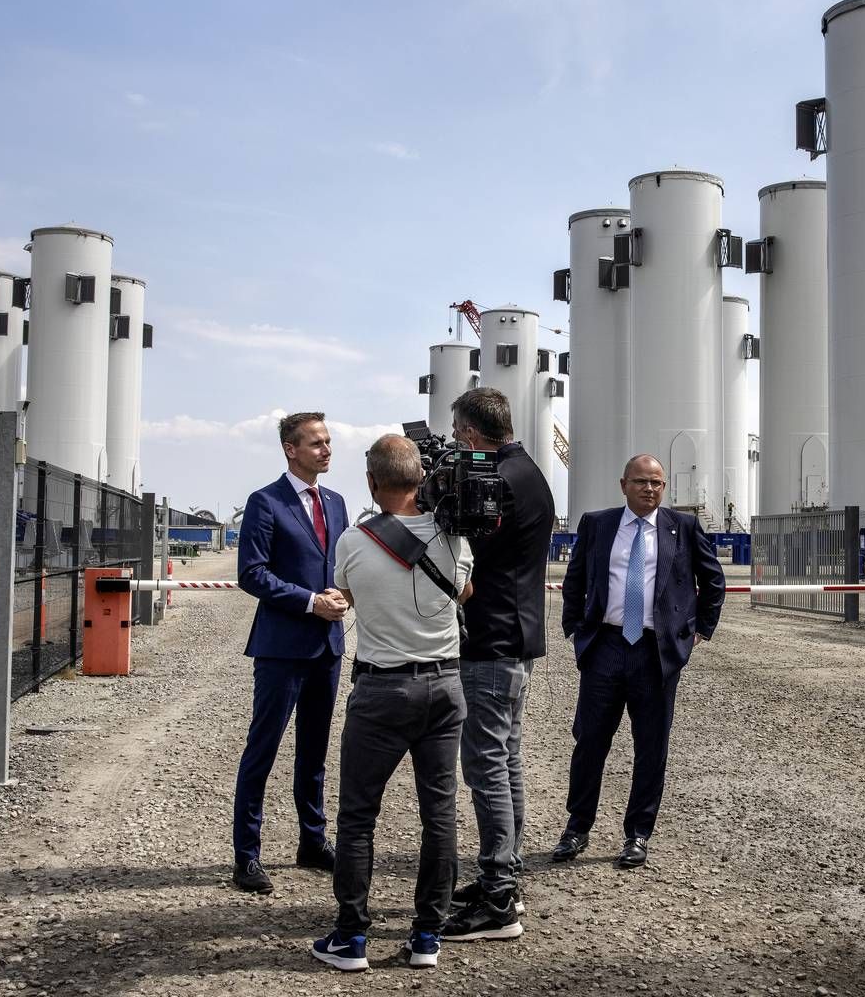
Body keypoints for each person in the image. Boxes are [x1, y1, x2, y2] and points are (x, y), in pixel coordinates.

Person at [311, 434, 472, 973]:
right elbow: (464, 594)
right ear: (422, 480)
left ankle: (351, 937)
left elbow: (346, 594)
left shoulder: (355, 543)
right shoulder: (456, 540)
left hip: (382, 690)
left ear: (372, 483)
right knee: (439, 815)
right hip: (445, 687)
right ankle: (428, 935)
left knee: (358, 817)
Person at [553, 454, 725, 869]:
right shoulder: (597, 524)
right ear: (623, 484)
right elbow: (576, 578)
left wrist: (700, 629)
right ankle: (577, 828)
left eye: (657, 483)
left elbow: (713, 579)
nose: (650, 489)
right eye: (641, 482)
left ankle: (638, 834)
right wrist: (575, 627)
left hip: (656, 653)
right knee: (590, 741)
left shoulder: (682, 527)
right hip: (605, 648)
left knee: (651, 747)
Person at [441, 388, 555, 941]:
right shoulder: (525, 468)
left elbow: (464, 548)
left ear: (469, 432)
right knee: (506, 759)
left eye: (458, 432)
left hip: (491, 638)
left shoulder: (494, 479)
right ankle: (505, 873)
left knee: (485, 765)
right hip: (518, 633)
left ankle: (499, 898)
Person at [232, 412, 349, 894]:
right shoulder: (265, 502)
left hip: (327, 646)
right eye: (316, 443)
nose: (326, 449)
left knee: (315, 752)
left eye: (327, 441)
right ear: (290, 448)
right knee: (263, 749)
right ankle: (247, 857)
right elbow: (251, 573)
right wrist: (310, 601)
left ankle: (312, 841)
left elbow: (342, 563)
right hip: (282, 648)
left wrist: (345, 594)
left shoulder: (338, 503)